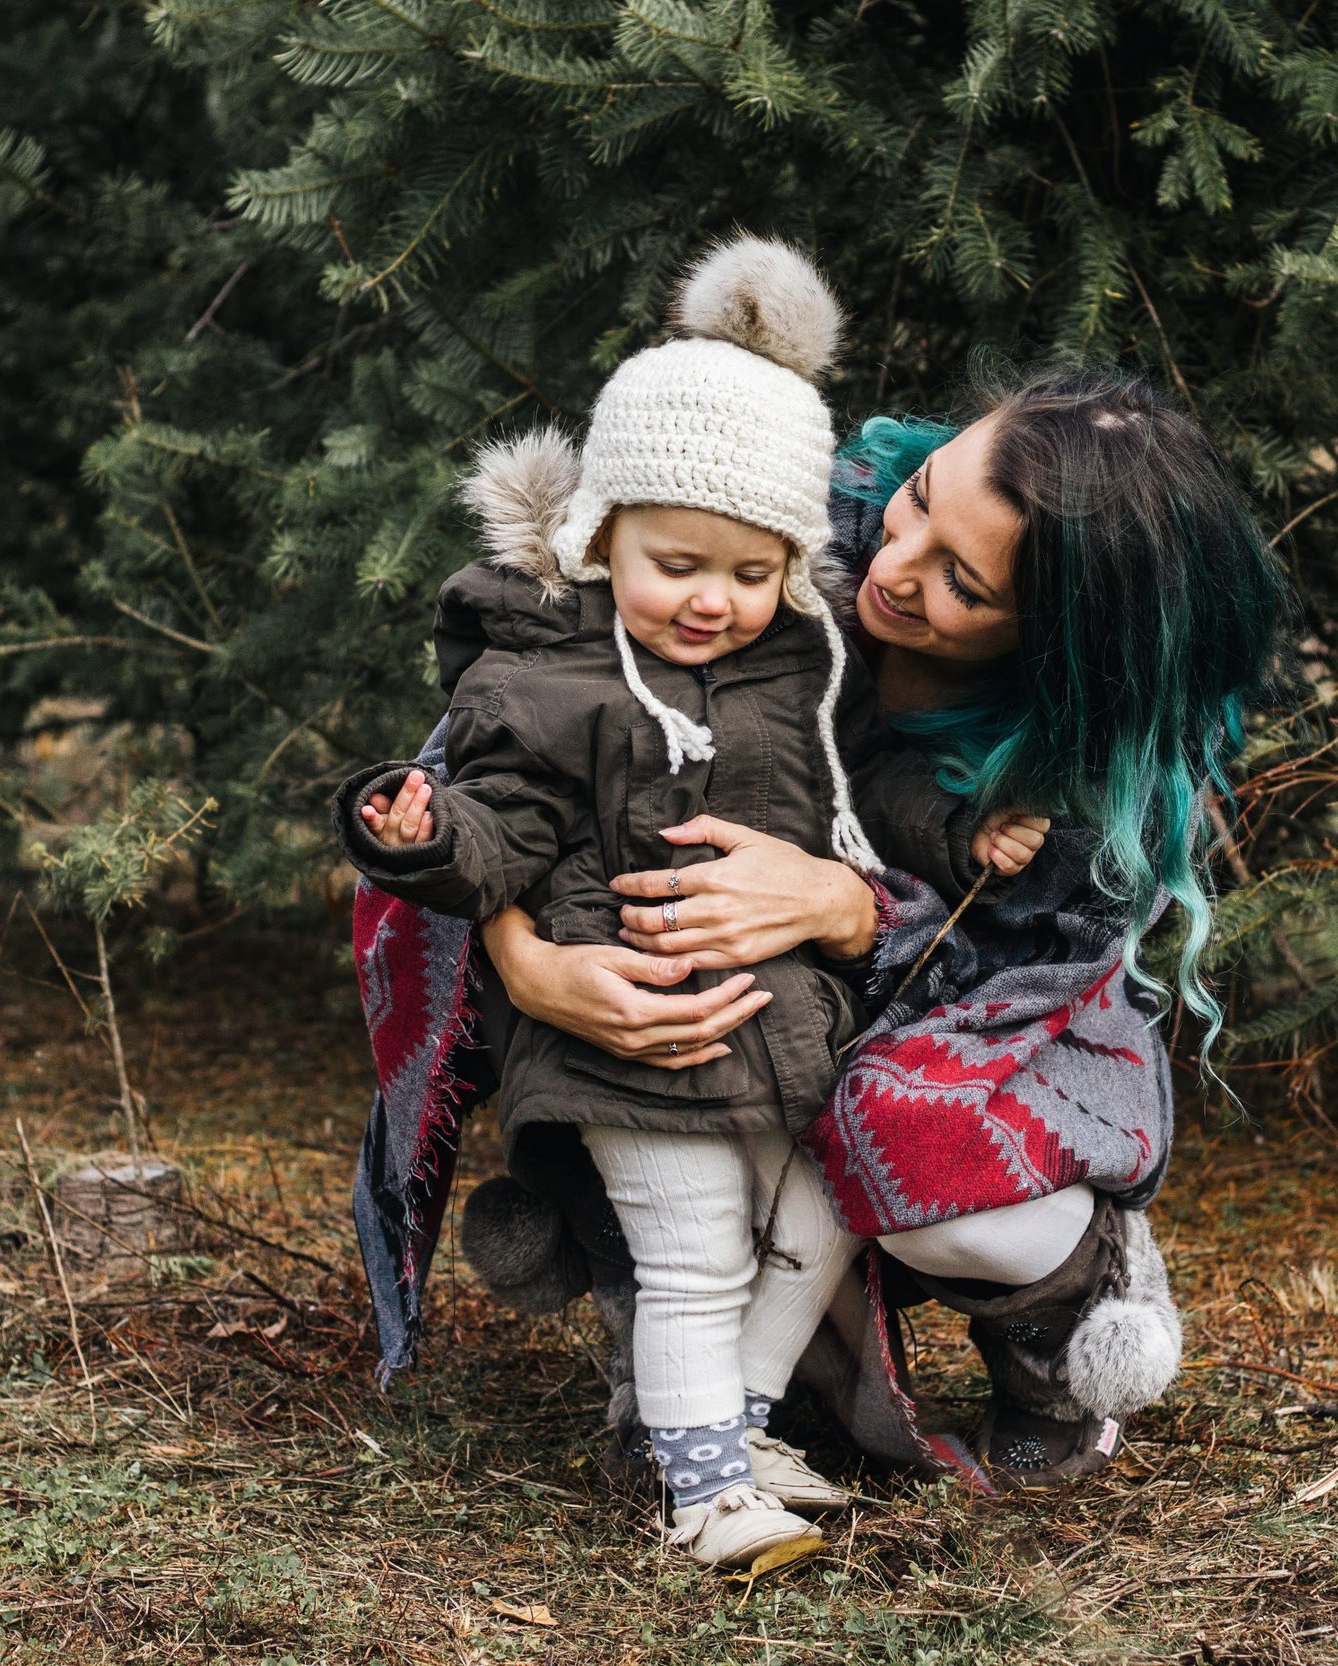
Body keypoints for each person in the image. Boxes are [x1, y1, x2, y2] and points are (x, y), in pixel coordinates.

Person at [352, 273, 1295, 1493]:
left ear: (1059, 645)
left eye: (963, 584)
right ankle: (699, 1363)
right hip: (705, 979)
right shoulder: (791, 510)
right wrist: (524, 957)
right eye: (919, 498)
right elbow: (516, 736)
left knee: (916, 1161)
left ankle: (1066, 1303)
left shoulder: (1083, 770)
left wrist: (849, 907)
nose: (892, 564)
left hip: (933, 1030)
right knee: (650, 1073)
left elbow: (1014, 973)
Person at [336, 238, 1047, 1566]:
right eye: (677, 564)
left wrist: (959, 834)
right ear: (602, 534)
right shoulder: (550, 680)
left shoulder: (802, 668)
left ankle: (740, 1425)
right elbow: (502, 829)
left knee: (827, 1209)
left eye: (751, 572)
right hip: (630, 1021)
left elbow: (866, 794)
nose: (713, 601)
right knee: (698, 1251)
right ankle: (706, 1495)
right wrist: (426, 839)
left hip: (778, 1023)